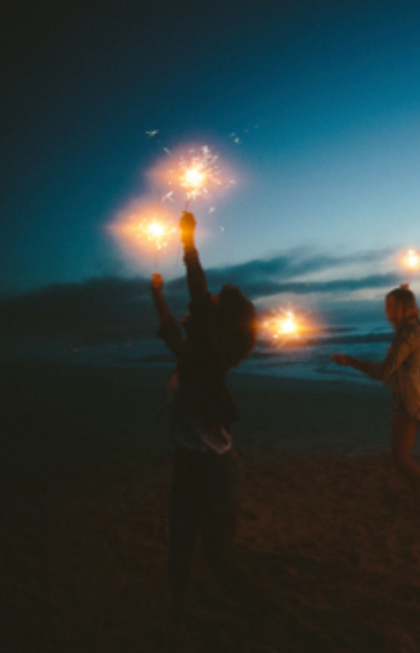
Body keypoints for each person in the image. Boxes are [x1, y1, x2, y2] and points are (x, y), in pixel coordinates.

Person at [150, 211, 261, 618]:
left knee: (218, 559)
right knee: (178, 551)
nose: (202, 302)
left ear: (215, 325)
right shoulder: (196, 356)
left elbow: (197, 290)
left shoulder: (211, 358)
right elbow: (171, 334)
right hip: (190, 466)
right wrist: (157, 294)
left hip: (215, 471)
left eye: (210, 305)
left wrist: (188, 241)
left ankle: (267, 610)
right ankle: (179, 621)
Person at [331, 285, 420, 518]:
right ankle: (418, 501)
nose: (386, 310)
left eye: (391, 305)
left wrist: (350, 361)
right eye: (386, 305)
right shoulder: (413, 328)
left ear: (403, 307)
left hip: (410, 400)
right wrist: (405, 293)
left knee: (401, 460)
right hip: (409, 396)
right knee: (401, 458)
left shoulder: (408, 333)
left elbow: (382, 371)